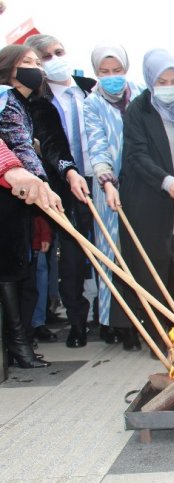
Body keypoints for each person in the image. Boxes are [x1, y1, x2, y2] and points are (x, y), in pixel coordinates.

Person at [114, 49, 174, 352]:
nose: (169, 85)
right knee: (154, 268)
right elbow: (136, 155)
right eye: (162, 80)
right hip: (152, 201)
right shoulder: (139, 111)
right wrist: (165, 179)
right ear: (150, 80)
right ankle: (160, 337)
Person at [25, 34, 97, 348]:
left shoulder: (90, 89)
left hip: (103, 183)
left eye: (59, 52)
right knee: (71, 256)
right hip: (65, 187)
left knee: (110, 253)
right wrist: (68, 171)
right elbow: (51, 144)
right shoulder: (38, 102)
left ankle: (112, 320)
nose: (55, 60)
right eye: (45, 57)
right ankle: (78, 323)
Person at [0, 43, 64, 368]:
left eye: (37, 62)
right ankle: (17, 344)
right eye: (26, 61)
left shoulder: (22, 103)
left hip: (19, 193)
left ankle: (21, 340)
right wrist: (41, 183)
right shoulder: (4, 98)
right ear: (9, 67)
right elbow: (20, 148)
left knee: (21, 266)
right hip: (7, 192)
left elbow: (28, 147)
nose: (35, 67)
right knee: (10, 269)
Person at [83, 43, 142, 346]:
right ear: (96, 73)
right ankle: (114, 321)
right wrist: (106, 181)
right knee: (111, 252)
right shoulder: (92, 103)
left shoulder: (141, 94)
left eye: (116, 70)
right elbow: (96, 144)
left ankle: (140, 317)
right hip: (109, 186)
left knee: (137, 250)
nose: (111, 77)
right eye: (104, 72)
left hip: (141, 184)